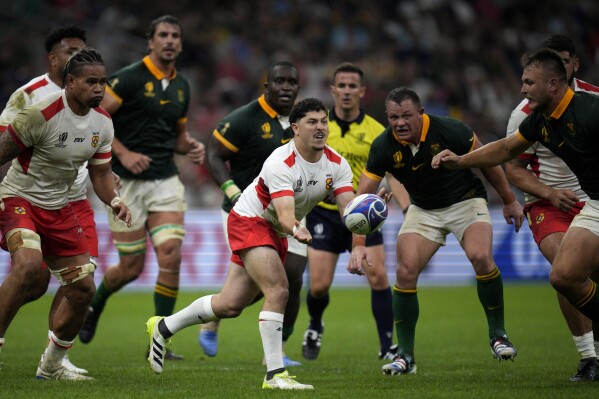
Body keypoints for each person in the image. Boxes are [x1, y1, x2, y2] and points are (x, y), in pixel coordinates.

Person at [145, 98, 360, 390]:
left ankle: (163, 327)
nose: (320, 127)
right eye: (312, 122)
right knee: (279, 289)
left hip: (276, 229)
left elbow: (351, 210)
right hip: (251, 220)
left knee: (230, 304)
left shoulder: (337, 164)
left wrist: (367, 215)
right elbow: (285, 215)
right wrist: (297, 229)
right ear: (296, 128)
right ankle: (275, 375)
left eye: (323, 121)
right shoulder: (280, 162)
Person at [350, 87, 523, 376]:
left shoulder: (451, 129)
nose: (400, 123)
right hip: (424, 210)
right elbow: (361, 198)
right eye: (393, 117)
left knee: (481, 257)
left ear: (421, 113)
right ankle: (405, 356)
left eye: (406, 115)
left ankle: (498, 335)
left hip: (466, 201)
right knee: (405, 271)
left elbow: (489, 163)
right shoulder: (383, 146)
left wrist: (508, 201)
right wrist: (358, 244)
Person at [432, 48, 599, 333]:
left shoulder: (590, 110)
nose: (523, 89)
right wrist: (461, 162)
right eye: (523, 82)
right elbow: (506, 149)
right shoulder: (539, 120)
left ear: (553, 84)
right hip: (594, 203)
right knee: (563, 276)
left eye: (530, 83)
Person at [78, 15, 205, 361]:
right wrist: (123, 153)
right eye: (162, 34)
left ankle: (159, 337)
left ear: (180, 43)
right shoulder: (130, 78)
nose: (169, 40)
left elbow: (177, 138)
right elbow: (97, 119)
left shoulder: (182, 86)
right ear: (151, 42)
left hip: (165, 178)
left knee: (171, 255)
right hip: (125, 182)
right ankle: (96, 304)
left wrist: (190, 146)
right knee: (131, 267)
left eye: (175, 35)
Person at [0, 48, 131, 380]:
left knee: (84, 289)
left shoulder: (102, 122)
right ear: (70, 82)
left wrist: (114, 200)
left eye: (103, 82)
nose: (99, 88)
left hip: (60, 208)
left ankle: (53, 364)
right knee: (29, 266)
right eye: (91, 81)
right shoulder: (40, 113)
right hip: (20, 198)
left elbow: (100, 174)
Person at [504, 35, 599, 381]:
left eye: (563, 61)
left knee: (585, 275)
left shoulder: (593, 102)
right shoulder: (524, 115)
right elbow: (512, 165)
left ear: (572, 66)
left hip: (591, 199)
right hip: (549, 204)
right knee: (566, 270)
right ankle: (588, 356)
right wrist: (548, 191)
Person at [0, 26, 91, 375]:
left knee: (81, 284)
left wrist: (109, 178)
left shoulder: (92, 91)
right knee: (33, 278)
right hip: (28, 195)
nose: (77, 57)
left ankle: (55, 361)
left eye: (83, 51)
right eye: (70, 51)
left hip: (76, 200)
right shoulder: (29, 96)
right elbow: (5, 146)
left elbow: (97, 141)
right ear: (53, 58)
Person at [201, 61, 304, 366]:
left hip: (289, 210)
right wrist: (231, 190)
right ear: (266, 86)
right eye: (279, 81)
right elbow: (214, 155)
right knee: (263, 285)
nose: (286, 87)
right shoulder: (244, 119)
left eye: (291, 82)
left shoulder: (303, 121)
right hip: (248, 212)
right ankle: (212, 317)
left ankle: (277, 350)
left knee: (293, 278)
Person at [303, 62, 407, 361]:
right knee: (320, 285)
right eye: (342, 85)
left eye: (353, 86)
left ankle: (387, 344)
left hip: (364, 217)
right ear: (332, 89)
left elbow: (392, 173)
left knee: (379, 280)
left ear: (362, 91)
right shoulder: (319, 126)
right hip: (324, 212)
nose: (347, 91)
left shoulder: (377, 130)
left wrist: (406, 205)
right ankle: (314, 324)